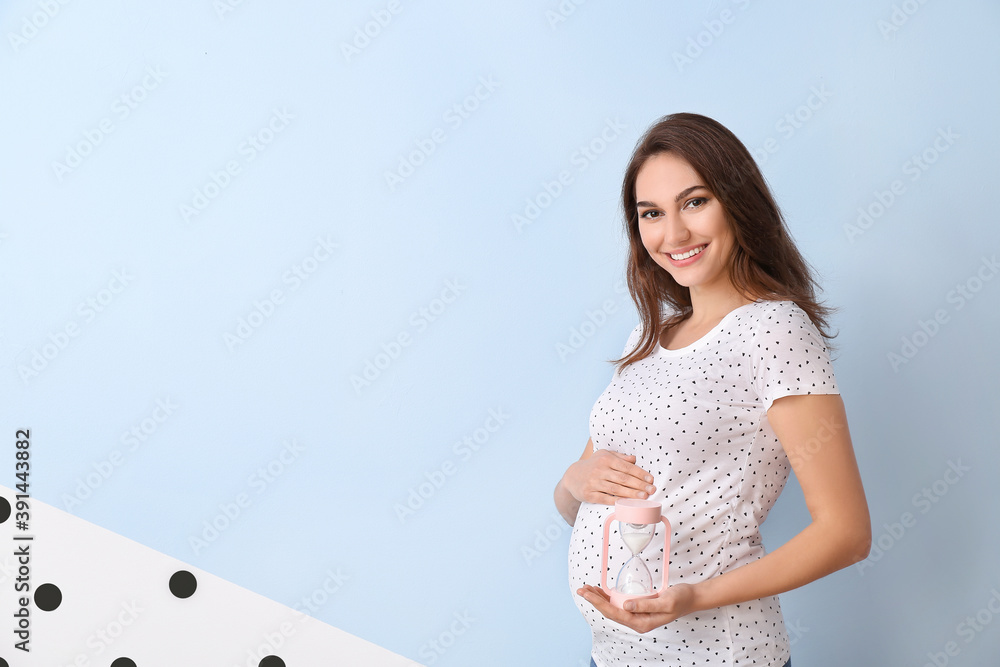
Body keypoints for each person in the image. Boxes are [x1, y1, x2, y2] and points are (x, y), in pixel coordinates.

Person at [553, 112, 871, 667]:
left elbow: (846, 532)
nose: (673, 234)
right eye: (651, 213)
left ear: (737, 202)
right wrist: (572, 479)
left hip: (716, 654)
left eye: (694, 202)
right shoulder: (648, 338)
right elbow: (580, 502)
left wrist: (696, 597)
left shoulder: (775, 329)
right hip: (614, 656)